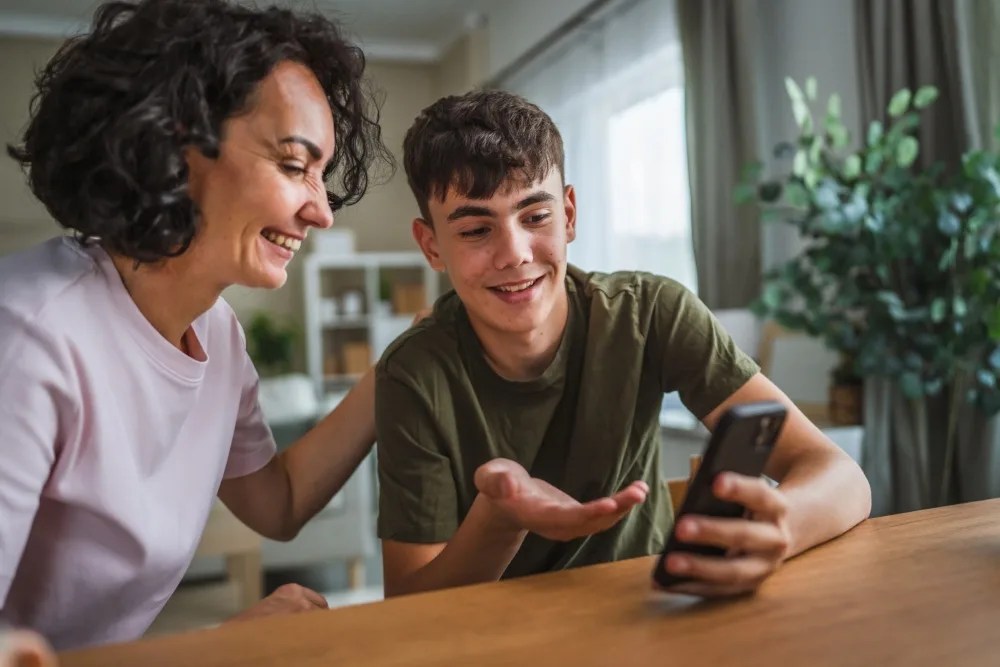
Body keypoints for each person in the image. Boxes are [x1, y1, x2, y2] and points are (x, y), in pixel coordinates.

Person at [0, 0, 392, 650]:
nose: (322, 212)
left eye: (321, 176)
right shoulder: (30, 337)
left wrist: (402, 365)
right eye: (295, 166)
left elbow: (279, 502)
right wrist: (218, 646)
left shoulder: (218, 334)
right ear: (177, 143)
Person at [375, 89, 872, 598]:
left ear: (568, 215)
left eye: (535, 217)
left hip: (650, 616)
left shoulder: (651, 313)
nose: (515, 254)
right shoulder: (413, 373)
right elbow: (410, 602)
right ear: (431, 245)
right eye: (477, 229)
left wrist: (780, 529)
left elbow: (841, 476)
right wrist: (499, 520)